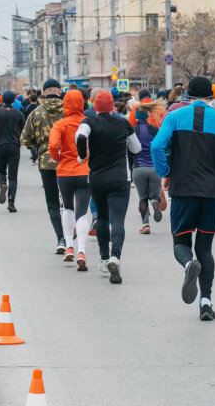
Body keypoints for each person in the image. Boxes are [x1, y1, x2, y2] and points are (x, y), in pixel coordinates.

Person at [151, 76, 215, 322]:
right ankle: (206, 302)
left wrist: (166, 171)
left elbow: (157, 147)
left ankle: (188, 263)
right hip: (212, 191)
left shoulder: (174, 117)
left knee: (180, 243)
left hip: (182, 189)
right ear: (211, 97)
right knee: (206, 248)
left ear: (188, 95)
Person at [76, 91, 141, 284]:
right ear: (113, 105)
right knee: (118, 220)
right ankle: (115, 257)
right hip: (120, 179)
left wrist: (82, 155)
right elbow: (136, 148)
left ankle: (104, 260)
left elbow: (80, 137)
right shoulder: (123, 123)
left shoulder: (88, 122)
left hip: (97, 179)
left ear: (95, 106)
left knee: (102, 217)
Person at [21, 79, 67, 254]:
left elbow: (25, 139)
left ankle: (60, 239)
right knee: (70, 202)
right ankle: (73, 234)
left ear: (44, 92)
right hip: (68, 162)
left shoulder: (36, 112)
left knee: (53, 204)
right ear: (59, 91)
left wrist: (39, 145)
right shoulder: (68, 111)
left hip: (46, 162)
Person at [48, 90, 92, 271]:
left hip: (64, 172)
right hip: (85, 171)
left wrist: (56, 157)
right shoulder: (87, 123)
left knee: (67, 207)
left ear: (65, 104)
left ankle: (69, 247)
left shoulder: (60, 124)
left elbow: (52, 145)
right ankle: (82, 250)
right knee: (82, 212)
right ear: (81, 104)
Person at [0, 90, 26, 212]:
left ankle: (2, 183)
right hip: (14, 147)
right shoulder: (18, 114)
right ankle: (11, 202)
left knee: (1, 172)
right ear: (14, 100)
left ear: (2, 100)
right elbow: (25, 128)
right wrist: (21, 140)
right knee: (13, 176)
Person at [131, 100, 165, 234]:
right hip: (154, 167)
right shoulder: (155, 130)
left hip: (139, 168)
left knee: (142, 197)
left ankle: (145, 225)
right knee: (154, 195)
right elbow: (161, 147)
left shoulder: (133, 131)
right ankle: (155, 204)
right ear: (147, 115)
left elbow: (129, 150)